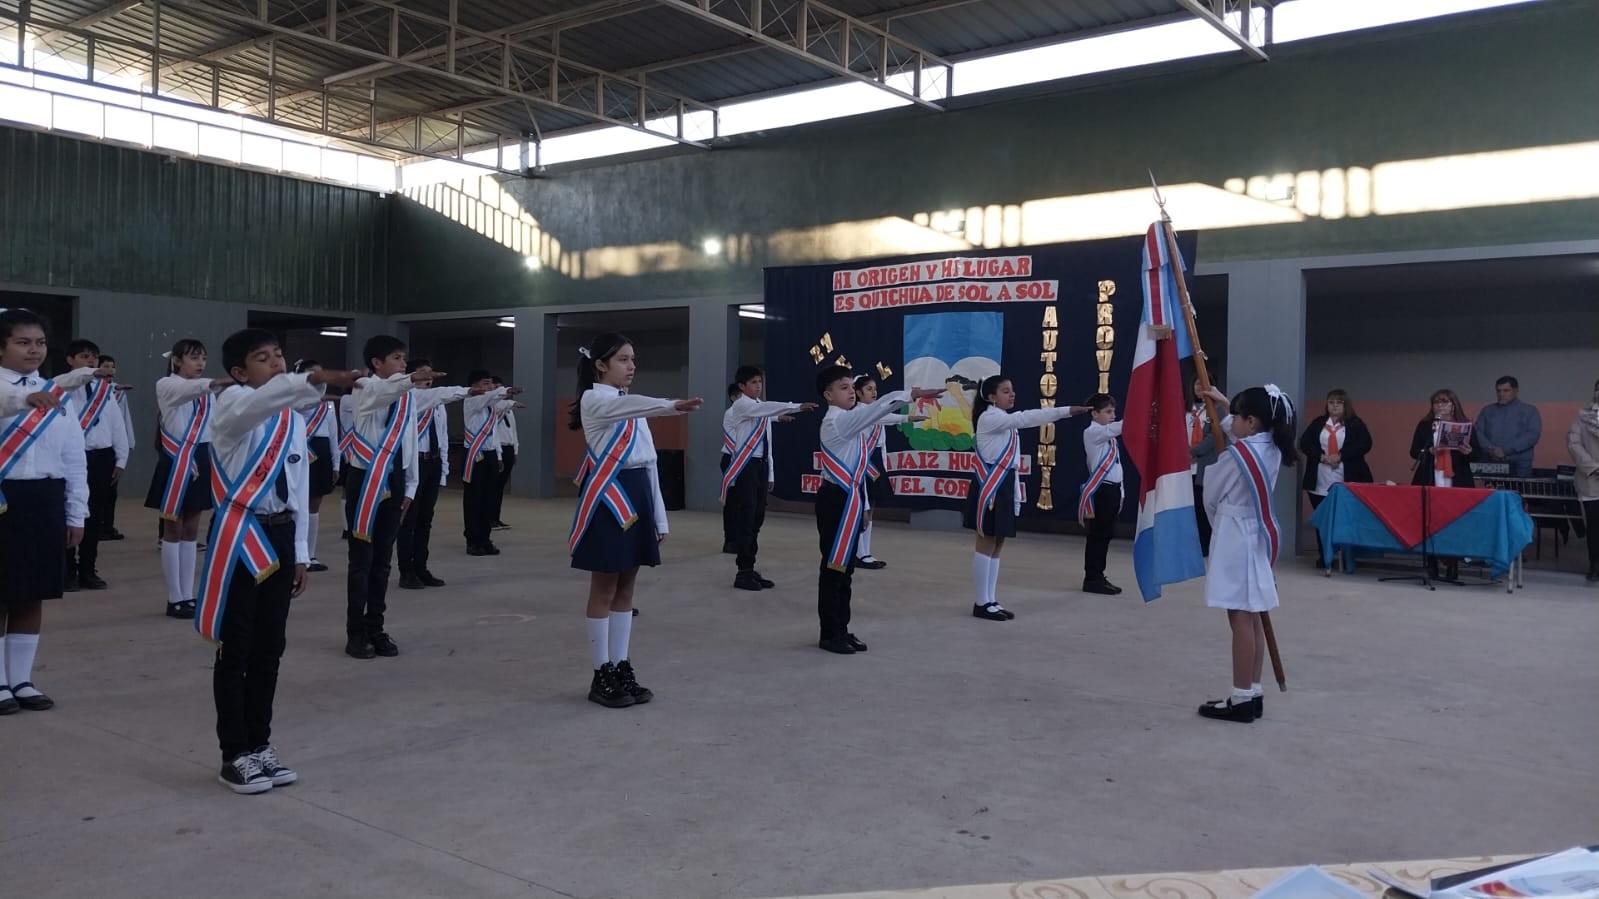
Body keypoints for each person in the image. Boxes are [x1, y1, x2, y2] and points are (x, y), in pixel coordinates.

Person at [201, 328, 358, 793]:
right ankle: (234, 753)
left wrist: (301, 554)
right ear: (238, 372)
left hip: (282, 534)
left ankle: (260, 743)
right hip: (241, 535)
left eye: (278, 356)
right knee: (236, 648)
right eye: (262, 358)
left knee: (270, 646)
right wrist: (313, 378)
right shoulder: (232, 408)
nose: (275, 363)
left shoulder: (290, 419)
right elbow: (259, 403)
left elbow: (299, 488)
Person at [567, 333, 701, 707]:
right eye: (623, 359)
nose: (631, 366)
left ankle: (621, 664)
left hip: (639, 492)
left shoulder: (630, 404)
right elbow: (630, 407)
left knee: (627, 587)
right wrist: (671, 405)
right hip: (612, 496)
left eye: (633, 359)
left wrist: (660, 517)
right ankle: (601, 672)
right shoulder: (595, 399)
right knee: (604, 588)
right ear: (600, 365)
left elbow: (650, 463)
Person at [813, 365, 942, 655]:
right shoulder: (837, 421)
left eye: (851, 386)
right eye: (843, 388)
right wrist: (910, 394)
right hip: (836, 499)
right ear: (828, 395)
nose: (851, 392)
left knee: (846, 570)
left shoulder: (849, 418)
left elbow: (879, 416)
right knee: (834, 568)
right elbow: (877, 410)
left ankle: (841, 628)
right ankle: (829, 634)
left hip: (849, 497)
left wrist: (864, 506)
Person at [0, 309, 91, 716]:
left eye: (39, 342)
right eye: (22, 342)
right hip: (4, 497)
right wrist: (24, 399)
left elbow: (74, 457)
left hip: (45, 498)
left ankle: (21, 679)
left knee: (32, 592)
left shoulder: (56, 393)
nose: (33, 350)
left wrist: (76, 512)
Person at [1196, 384, 1296, 723]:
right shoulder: (1271, 448)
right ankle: (1252, 691)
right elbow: (1242, 435)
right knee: (1253, 614)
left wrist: (1217, 521)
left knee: (1239, 616)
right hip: (1256, 532)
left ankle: (1240, 698)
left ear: (1252, 421)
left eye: (1238, 415)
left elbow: (1211, 494)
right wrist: (1225, 403)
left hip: (1233, 533)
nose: (1233, 420)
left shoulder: (1237, 456)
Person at [965, 375, 1086, 621]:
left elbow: (1012, 461)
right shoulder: (990, 417)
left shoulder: (1002, 419)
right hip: (991, 486)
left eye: (1012, 390)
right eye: (1005, 391)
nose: (1012, 394)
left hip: (1004, 483)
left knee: (998, 542)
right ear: (991, 397)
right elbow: (1026, 418)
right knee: (986, 542)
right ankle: (981, 602)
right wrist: (1066, 411)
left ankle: (990, 599)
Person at [342, 335, 430, 660]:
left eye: (404, 358)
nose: (403, 363)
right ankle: (356, 632)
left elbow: (409, 442)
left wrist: (410, 487)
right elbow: (382, 393)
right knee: (361, 560)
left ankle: (375, 626)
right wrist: (409, 380)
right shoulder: (364, 387)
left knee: (382, 561)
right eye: (396, 358)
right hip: (365, 480)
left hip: (394, 479)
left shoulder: (406, 397)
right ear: (376, 363)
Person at [147, 339, 230, 620]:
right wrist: (223, 381)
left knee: (192, 529)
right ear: (176, 361)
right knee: (173, 528)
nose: (200, 363)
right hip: (177, 459)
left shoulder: (207, 392)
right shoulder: (166, 384)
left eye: (203, 358)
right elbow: (189, 390)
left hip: (201, 457)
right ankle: (174, 597)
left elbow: (216, 426)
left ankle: (188, 594)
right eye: (194, 358)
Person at [399, 360, 500, 589]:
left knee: (426, 519)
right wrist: (466, 391)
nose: (429, 377)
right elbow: (441, 394)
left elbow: (443, 437)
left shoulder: (437, 405)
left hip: (433, 462)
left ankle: (421, 567)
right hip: (414, 464)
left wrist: (443, 470)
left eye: (430, 373)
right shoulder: (409, 397)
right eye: (423, 373)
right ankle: (407, 571)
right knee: (409, 520)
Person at [721, 364, 814, 591]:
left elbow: (767, 424)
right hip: (747, 466)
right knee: (747, 516)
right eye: (753, 382)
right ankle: (743, 571)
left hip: (760, 465)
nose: (758, 386)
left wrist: (770, 471)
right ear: (742, 386)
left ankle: (750, 567)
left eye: (760, 382)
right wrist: (796, 406)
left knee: (757, 517)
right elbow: (767, 409)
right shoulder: (741, 405)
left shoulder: (758, 408)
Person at [60, 339, 128, 592]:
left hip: (102, 457)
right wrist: (91, 373)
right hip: (70, 459)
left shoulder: (105, 391)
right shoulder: (61, 386)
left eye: (94, 357)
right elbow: (69, 381)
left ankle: (88, 569)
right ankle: (67, 570)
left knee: (94, 516)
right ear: (70, 360)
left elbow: (117, 425)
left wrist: (121, 458)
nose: (91, 361)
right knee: (69, 513)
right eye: (84, 356)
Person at [1298, 388, 1374, 568]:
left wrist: (1341, 456)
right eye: (1331, 402)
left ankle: (1347, 556)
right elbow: (1305, 443)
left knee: (1345, 518)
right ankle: (1324, 555)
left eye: (1339, 403)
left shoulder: (1355, 424)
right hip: (1320, 478)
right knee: (1322, 518)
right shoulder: (1318, 423)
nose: (1334, 406)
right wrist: (1321, 457)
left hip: (1346, 477)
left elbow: (1365, 444)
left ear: (1346, 405)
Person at [1409, 388, 1475, 582]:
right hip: (1431, 475)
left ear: (1454, 405)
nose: (1440, 406)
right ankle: (1431, 564)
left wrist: (1468, 451)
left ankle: (1452, 565)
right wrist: (1428, 449)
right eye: (1436, 402)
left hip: (1455, 478)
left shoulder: (1464, 425)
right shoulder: (1425, 425)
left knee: (1454, 522)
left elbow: (1478, 454)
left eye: (1444, 402)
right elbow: (1414, 451)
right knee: (1429, 521)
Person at [850, 374, 910, 570]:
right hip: (864, 462)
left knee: (871, 507)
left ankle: (865, 552)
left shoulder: (876, 410)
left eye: (875, 389)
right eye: (869, 389)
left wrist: (884, 465)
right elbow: (886, 418)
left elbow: (882, 443)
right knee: (863, 508)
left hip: (876, 462)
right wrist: (907, 417)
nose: (874, 392)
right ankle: (859, 553)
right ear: (858, 393)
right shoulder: (859, 412)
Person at [460, 370, 519, 556]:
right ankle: (472, 540)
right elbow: (489, 398)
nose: (490, 387)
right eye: (486, 383)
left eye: (491, 383)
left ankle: (485, 539)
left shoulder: (491, 406)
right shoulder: (472, 401)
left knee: (489, 498)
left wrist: (499, 456)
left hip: (491, 454)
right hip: (475, 454)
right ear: (474, 386)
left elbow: (493, 434)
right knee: (474, 499)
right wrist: (505, 390)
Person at [290, 360, 340, 573]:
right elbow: (301, 405)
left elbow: (333, 434)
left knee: (314, 504)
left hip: (321, 451)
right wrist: (317, 398)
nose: (319, 379)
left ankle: (310, 554)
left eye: (322, 374)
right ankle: (293, 552)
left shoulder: (328, 404)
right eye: (313, 375)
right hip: (299, 450)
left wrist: (336, 463)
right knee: (294, 503)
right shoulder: (294, 398)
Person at [1079, 393, 1125, 595]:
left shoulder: (1108, 437)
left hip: (1112, 489)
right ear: (1094, 414)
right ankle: (1092, 578)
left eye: (1114, 411)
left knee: (1106, 534)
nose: (1113, 415)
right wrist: (1138, 413)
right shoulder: (1093, 432)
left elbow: (1117, 466)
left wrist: (1121, 492)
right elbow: (1119, 427)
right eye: (1108, 411)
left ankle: (1098, 574)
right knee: (1098, 535)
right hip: (1102, 490)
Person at [1475, 375, 1541, 477]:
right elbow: (1478, 432)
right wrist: (1491, 449)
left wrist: (1505, 450)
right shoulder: (1487, 410)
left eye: (1506, 391)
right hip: (1491, 461)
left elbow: (1533, 435)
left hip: (1520, 463)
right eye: (1498, 391)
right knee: (1491, 487)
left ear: (1516, 391)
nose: (1501, 394)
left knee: (1519, 487)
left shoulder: (1530, 411)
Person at [1566, 378, 1599, 583]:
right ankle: (1595, 564)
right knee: (1594, 526)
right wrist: (1593, 467)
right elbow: (1574, 443)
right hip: (1591, 480)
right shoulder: (1582, 417)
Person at [99, 353, 133, 541]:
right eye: (105, 366)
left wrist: (128, 443)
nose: (110, 370)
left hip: (115, 445)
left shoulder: (119, 392)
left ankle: (108, 526)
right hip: (99, 445)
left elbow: (124, 419)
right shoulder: (98, 390)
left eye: (112, 366)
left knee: (111, 490)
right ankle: (97, 526)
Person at [1188, 381, 1220, 557]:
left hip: (1203, 465)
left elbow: (1214, 436)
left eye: (1203, 383)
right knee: (1191, 507)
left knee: (1202, 507)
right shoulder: (1187, 409)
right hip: (1187, 466)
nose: (1199, 387)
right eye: (1196, 384)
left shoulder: (1215, 410)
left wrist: (1194, 452)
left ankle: (1205, 545)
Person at [490, 375, 518, 531]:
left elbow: (513, 431)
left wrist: (515, 450)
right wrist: (499, 456)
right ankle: (489, 519)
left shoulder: (508, 410)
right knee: (493, 486)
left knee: (500, 487)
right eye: (497, 388)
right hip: (497, 449)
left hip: (508, 448)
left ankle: (496, 517)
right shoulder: (494, 407)